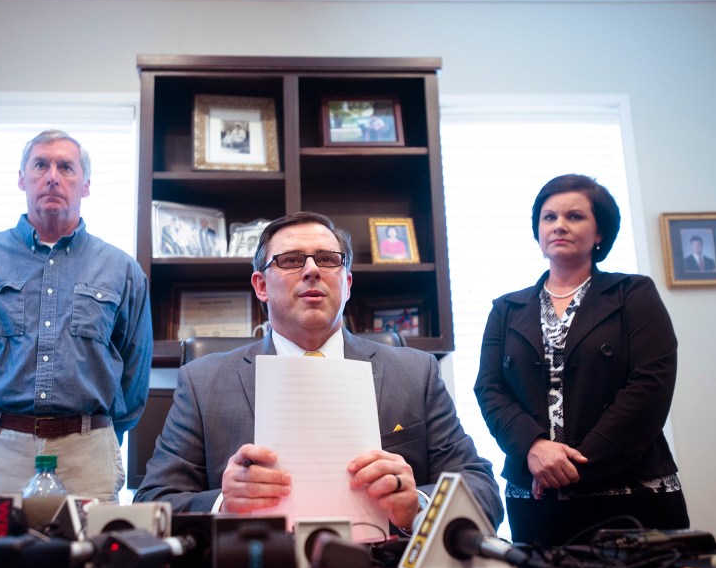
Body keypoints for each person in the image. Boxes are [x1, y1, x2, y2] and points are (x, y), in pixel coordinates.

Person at [135, 211, 503, 534]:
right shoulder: (204, 381)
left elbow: (483, 492)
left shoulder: (415, 373)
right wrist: (225, 506)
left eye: (328, 259)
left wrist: (419, 505)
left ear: (347, 283)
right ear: (261, 286)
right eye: (292, 260)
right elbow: (151, 506)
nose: (312, 270)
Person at [0, 129, 153, 502]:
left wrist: (95, 432)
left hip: (85, 455)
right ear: (22, 178)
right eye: (41, 165)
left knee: (88, 560)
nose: (52, 175)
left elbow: (133, 379)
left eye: (66, 167)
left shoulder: (123, 271)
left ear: (85, 185)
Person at [474, 174, 689, 546]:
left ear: (599, 232)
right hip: (535, 498)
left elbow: (649, 386)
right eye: (549, 217)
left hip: (631, 493)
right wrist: (534, 448)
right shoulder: (506, 308)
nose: (559, 225)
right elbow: (490, 390)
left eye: (574, 216)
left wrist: (570, 468)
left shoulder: (633, 294)